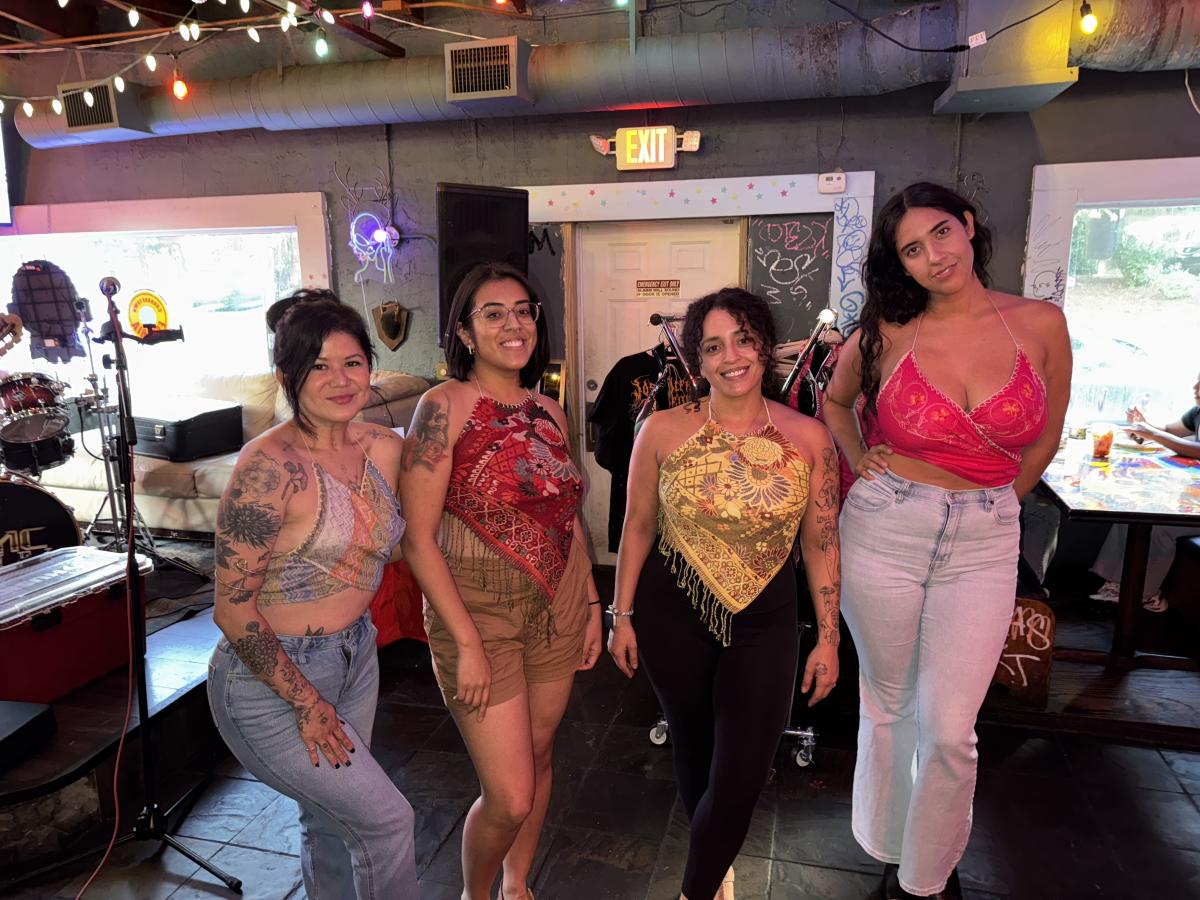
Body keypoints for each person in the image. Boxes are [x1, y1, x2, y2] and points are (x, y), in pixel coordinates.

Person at [824, 182, 1071, 900]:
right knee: (889, 702)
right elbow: (835, 402)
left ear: (967, 225)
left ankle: (926, 875)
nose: (933, 256)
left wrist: (996, 506)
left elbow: (1047, 435)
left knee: (950, 728)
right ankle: (887, 845)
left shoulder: (1041, 324)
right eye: (911, 250)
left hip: (985, 537)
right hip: (886, 527)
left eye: (939, 233)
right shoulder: (886, 332)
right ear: (899, 265)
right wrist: (859, 456)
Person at [607, 287, 842, 900]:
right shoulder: (660, 429)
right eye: (713, 347)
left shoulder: (811, 438)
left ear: (764, 345)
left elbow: (821, 543)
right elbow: (637, 526)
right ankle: (713, 875)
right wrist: (621, 615)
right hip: (670, 612)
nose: (731, 357)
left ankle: (696, 886)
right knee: (693, 749)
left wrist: (829, 638)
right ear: (697, 359)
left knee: (741, 774)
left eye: (743, 340)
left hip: (768, 619)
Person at [398, 261, 602, 900]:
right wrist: (465, 642)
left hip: (559, 604)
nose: (513, 325)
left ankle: (517, 887)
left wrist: (591, 602)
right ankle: (476, 893)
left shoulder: (550, 410)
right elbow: (417, 538)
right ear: (464, 332)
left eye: (522, 311)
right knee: (509, 794)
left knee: (539, 758)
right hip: (478, 612)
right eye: (493, 313)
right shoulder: (442, 407)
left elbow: (567, 514)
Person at [207, 296, 418, 899]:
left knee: (330, 822)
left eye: (352, 363)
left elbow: (393, 548)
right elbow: (231, 609)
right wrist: (305, 701)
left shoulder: (382, 447)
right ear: (287, 376)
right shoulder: (267, 468)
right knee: (386, 822)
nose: (340, 380)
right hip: (270, 681)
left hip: (356, 657)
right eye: (319, 366)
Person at [1090, 372, 1200, 610]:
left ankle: (1146, 594)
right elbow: (1171, 430)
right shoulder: (1197, 412)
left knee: (1160, 526)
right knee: (1129, 511)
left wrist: (1153, 434)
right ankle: (1116, 583)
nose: (1195, 387)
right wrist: (1144, 426)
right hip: (1194, 496)